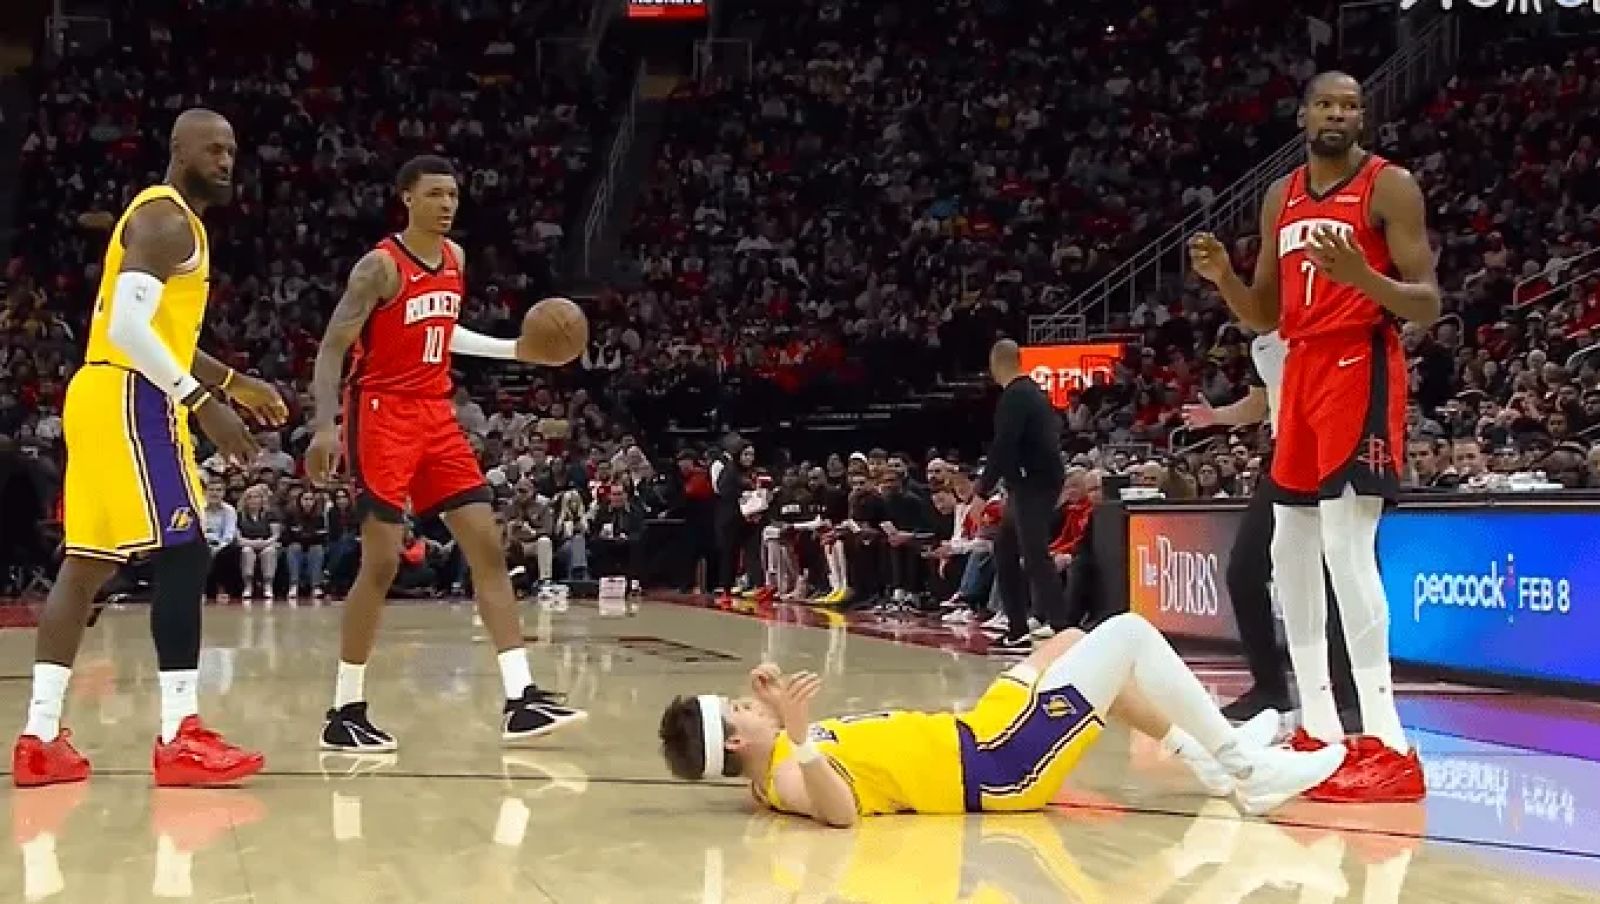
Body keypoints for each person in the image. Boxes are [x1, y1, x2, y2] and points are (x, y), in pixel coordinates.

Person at [13, 108, 287, 788]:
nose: (225, 160)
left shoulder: (167, 221)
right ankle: (180, 735)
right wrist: (203, 402)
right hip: (133, 393)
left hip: (100, 390)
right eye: (212, 148)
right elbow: (132, 331)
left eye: (231, 149)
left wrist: (234, 382)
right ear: (178, 151)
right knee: (186, 548)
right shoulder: (167, 219)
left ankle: (39, 739)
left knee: (86, 565)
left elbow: (157, 331)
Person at [1187, 71, 1438, 802]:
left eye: (1351, 106)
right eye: (1326, 104)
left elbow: (1427, 303)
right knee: (1287, 547)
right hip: (1300, 368)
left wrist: (1363, 276)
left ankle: (1388, 741)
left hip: (1361, 362)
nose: (1338, 114)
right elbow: (1264, 315)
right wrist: (1225, 279)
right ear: (1303, 115)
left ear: (1362, 117)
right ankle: (1319, 729)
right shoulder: (1283, 195)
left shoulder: (1390, 187)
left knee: (1345, 547)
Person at [305, 155, 585, 751]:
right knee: (381, 562)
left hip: (435, 412)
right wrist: (324, 425)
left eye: (453, 194)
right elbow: (332, 347)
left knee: (487, 546)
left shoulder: (455, 259)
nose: (447, 204)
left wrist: (514, 350)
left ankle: (521, 699)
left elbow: (440, 330)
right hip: (379, 412)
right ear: (406, 198)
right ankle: (344, 710)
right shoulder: (379, 267)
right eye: (434, 194)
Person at [658, 612, 1347, 825]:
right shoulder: (789, 773)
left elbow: (768, 758)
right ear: (738, 739)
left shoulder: (767, 771)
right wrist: (799, 734)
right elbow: (838, 814)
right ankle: (1243, 769)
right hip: (999, 764)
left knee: (1073, 644)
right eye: (739, 708)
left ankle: (1204, 758)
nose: (748, 701)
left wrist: (776, 706)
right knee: (1128, 636)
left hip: (981, 730)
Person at [1182, 331, 1360, 725]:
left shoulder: (1321, 325)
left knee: (1336, 577)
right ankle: (1270, 689)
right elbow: (1261, 401)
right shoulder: (1261, 341)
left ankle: (1350, 697)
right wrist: (1217, 417)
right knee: (1244, 572)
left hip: (1335, 453)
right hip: (1286, 459)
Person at [975, 340, 1067, 653]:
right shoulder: (1032, 393)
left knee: (1035, 554)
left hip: (1033, 483)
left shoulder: (1015, 395)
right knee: (1005, 549)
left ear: (995, 363)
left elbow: (1004, 444)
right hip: (1031, 482)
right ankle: (1017, 630)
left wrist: (981, 490)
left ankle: (1063, 628)